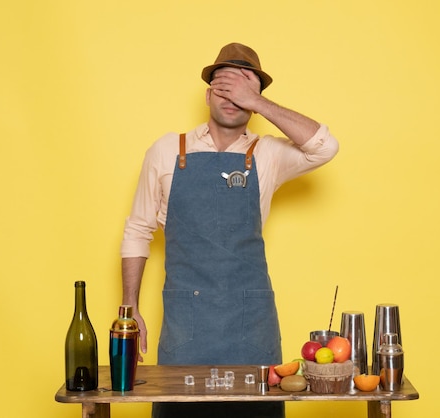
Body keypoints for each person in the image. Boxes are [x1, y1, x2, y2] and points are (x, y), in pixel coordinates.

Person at [120, 42, 339, 418]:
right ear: (208, 95)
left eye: (244, 89)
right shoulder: (167, 150)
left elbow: (325, 146)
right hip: (187, 320)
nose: (232, 97)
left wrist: (259, 103)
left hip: (250, 322)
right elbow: (138, 229)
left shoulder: (269, 153)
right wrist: (130, 305)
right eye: (224, 87)